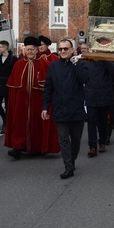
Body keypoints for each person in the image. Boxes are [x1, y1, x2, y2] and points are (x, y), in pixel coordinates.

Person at [4, 37, 59, 159]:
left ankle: (39, 147)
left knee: (38, 124)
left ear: (36, 50)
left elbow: (49, 85)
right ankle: (17, 147)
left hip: (37, 101)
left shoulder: (43, 63)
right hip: (21, 102)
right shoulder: (18, 64)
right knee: (19, 124)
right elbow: (13, 87)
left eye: (32, 50)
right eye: (28, 49)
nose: (29, 52)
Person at [42, 38, 89, 179]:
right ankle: (68, 166)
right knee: (63, 140)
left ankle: (72, 160)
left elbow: (85, 79)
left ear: (72, 50)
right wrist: (45, 107)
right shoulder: (53, 66)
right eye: (60, 49)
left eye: (65, 49)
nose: (63, 51)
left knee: (75, 140)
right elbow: (48, 88)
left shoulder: (80, 64)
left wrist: (76, 64)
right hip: (60, 109)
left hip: (76, 110)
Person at [83, 56, 114, 157]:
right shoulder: (86, 62)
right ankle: (92, 147)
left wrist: (104, 58)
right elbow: (83, 77)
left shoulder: (106, 62)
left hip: (104, 96)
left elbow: (113, 70)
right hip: (91, 96)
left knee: (103, 121)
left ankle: (102, 141)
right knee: (91, 122)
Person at [0, 40, 17, 134]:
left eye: (0, 47)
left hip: (9, 84)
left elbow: (15, 72)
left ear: (5, 47)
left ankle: (6, 125)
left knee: (8, 106)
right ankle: (5, 119)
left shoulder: (13, 59)